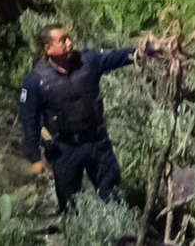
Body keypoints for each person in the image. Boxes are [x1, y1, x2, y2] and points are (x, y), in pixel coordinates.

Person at [20, 25, 146, 211]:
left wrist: (145, 51)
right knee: (70, 205)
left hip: (97, 143)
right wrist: (34, 157)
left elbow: (115, 57)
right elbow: (29, 119)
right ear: (48, 49)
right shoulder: (35, 80)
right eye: (63, 40)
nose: (69, 42)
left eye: (68, 38)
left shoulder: (87, 61)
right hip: (65, 149)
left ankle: (118, 228)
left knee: (113, 198)